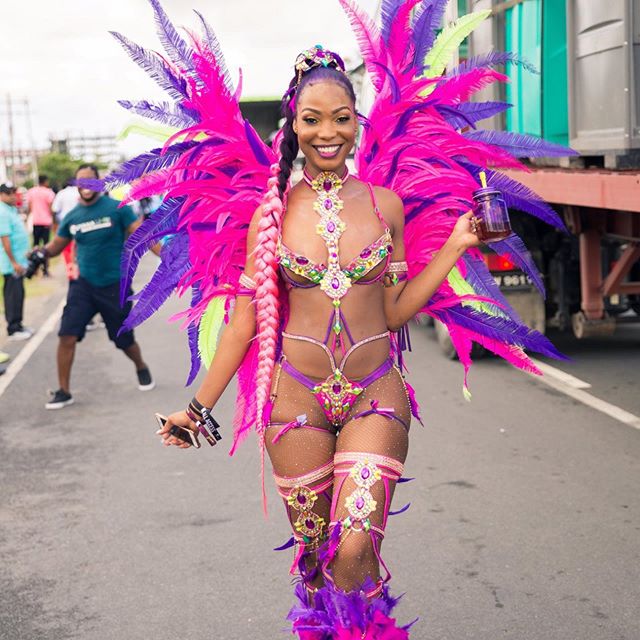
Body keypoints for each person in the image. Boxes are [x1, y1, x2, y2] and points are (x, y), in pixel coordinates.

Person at [112, 3, 567, 637]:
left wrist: (460, 247)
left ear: (357, 123)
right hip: (293, 403)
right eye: (311, 119)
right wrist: (199, 407)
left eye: (342, 118)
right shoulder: (268, 214)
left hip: (375, 396)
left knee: (355, 547)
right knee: (319, 558)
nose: (328, 131)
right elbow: (244, 325)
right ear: (292, 126)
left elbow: (396, 311)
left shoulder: (387, 206)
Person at [38, 164, 157, 410]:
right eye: (81, 182)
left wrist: (168, 256)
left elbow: (141, 234)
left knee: (123, 340)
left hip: (114, 286)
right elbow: (57, 246)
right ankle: (64, 391)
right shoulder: (72, 217)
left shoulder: (116, 209)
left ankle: (140, 366)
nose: (86, 186)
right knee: (66, 335)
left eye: (90, 181)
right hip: (83, 286)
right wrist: (40, 253)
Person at [0, 183, 32, 342]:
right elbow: (5, 240)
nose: (13, 195)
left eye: (14, 192)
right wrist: (13, 262)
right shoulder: (2, 212)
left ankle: (18, 325)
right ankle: (13, 328)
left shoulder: (10, 209)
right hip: (11, 264)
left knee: (19, 294)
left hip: (19, 261)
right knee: (12, 295)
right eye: (9, 193)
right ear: (1, 195)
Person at [26, 174, 55, 276]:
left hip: (36, 221)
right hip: (46, 222)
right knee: (46, 247)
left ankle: (34, 269)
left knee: (36, 246)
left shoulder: (31, 191)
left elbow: (29, 207)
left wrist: (27, 217)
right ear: (45, 181)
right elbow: (51, 208)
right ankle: (45, 270)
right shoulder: (49, 192)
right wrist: (53, 220)